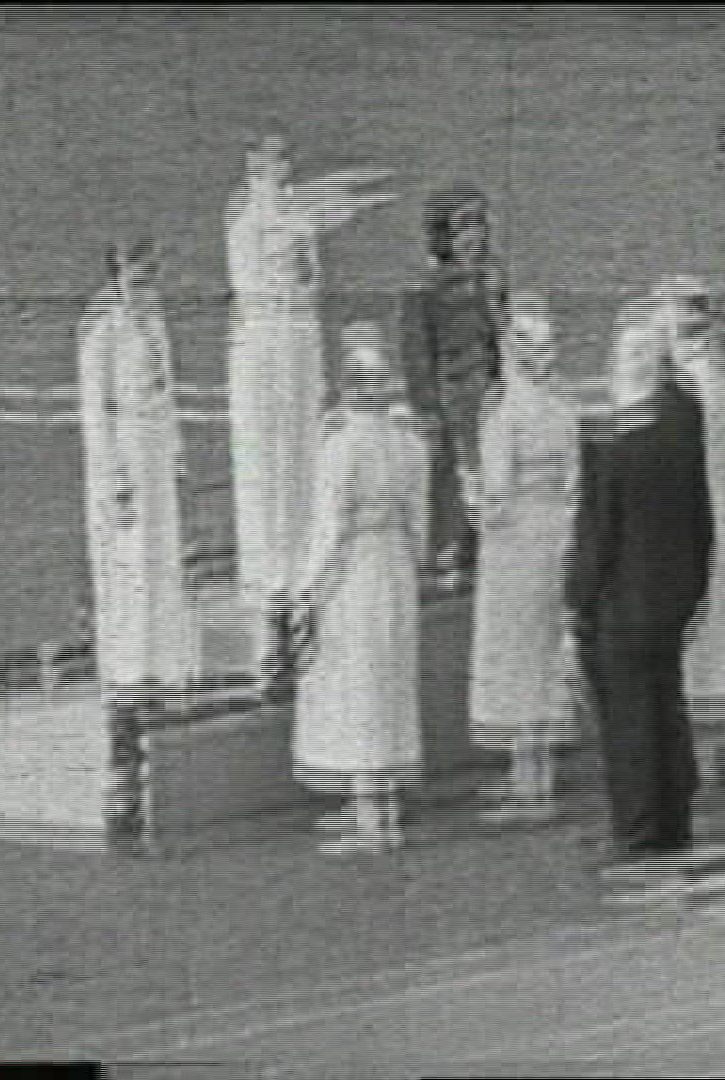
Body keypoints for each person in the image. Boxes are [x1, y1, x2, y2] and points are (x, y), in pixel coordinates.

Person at [224, 133, 398, 650]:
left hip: (299, 340)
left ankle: (304, 578)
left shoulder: (289, 213)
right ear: (252, 165)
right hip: (266, 345)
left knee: (304, 458)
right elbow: (266, 277)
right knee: (268, 468)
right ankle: (272, 593)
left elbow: (308, 273)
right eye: (267, 159)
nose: (279, 167)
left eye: (282, 158)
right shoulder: (248, 218)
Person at [564, 302, 713, 874]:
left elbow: (596, 535)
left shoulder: (609, 441)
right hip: (672, 593)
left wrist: (574, 603)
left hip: (620, 602)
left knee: (627, 720)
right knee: (665, 706)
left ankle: (638, 829)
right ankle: (674, 820)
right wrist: (696, 585)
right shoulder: (684, 423)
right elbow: (700, 515)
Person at [289, 322, 429, 856]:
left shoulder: (342, 446)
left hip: (356, 572)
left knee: (358, 685)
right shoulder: (409, 444)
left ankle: (371, 817)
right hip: (396, 568)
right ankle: (381, 803)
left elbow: (332, 529)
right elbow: (419, 524)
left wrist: (307, 592)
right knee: (391, 681)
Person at [468, 293, 582, 825]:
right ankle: (540, 775)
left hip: (515, 539)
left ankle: (527, 782)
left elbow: (495, 495)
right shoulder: (565, 408)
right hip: (557, 531)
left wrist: (473, 500)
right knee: (546, 650)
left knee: (514, 652)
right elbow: (577, 481)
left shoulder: (504, 415)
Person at [76, 239, 194, 698]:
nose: (145, 286)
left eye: (150, 276)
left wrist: (175, 448)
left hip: (155, 453)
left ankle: (163, 668)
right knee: (129, 564)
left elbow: (167, 389)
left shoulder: (153, 319)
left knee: (162, 560)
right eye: (136, 278)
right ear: (117, 274)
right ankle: (127, 673)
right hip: (124, 455)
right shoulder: (100, 329)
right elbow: (96, 411)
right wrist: (115, 475)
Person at [651, 276, 725, 782]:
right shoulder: (720, 371)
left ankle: (694, 747)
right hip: (714, 514)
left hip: (688, 517)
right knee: (711, 625)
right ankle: (706, 740)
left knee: (692, 627)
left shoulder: (686, 382)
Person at [398, 183, 508, 590]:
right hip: (453, 397)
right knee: (453, 474)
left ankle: (483, 545)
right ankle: (451, 549)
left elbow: (503, 337)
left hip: (491, 392)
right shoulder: (425, 288)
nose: (475, 235)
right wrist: (426, 407)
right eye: (464, 227)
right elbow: (416, 354)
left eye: (480, 224)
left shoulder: (492, 278)